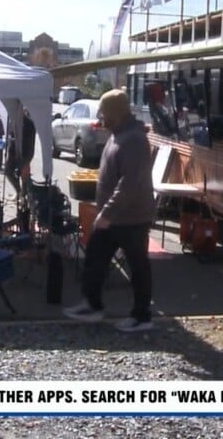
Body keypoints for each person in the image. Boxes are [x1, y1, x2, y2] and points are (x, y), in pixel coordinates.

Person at [63, 89, 156, 333]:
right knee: (95, 259)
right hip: (113, 217)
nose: (101, 117)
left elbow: (130, 183)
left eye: (104, 112)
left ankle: (141, 316)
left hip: (131, 217)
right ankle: (92, 306)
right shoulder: (118, 135)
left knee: (138, 267)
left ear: (115, 112)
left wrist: (107, 214)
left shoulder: (134, 139)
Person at [5, 108, 36, 197]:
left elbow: (31, 142)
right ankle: (18, 191)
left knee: (24, 175)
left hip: (25, 152)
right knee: (8, 171)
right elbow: (10, 137)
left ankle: (24, 194)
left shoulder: (29, 124)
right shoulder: (12, 122)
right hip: (13, 151)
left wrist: (27, 160)